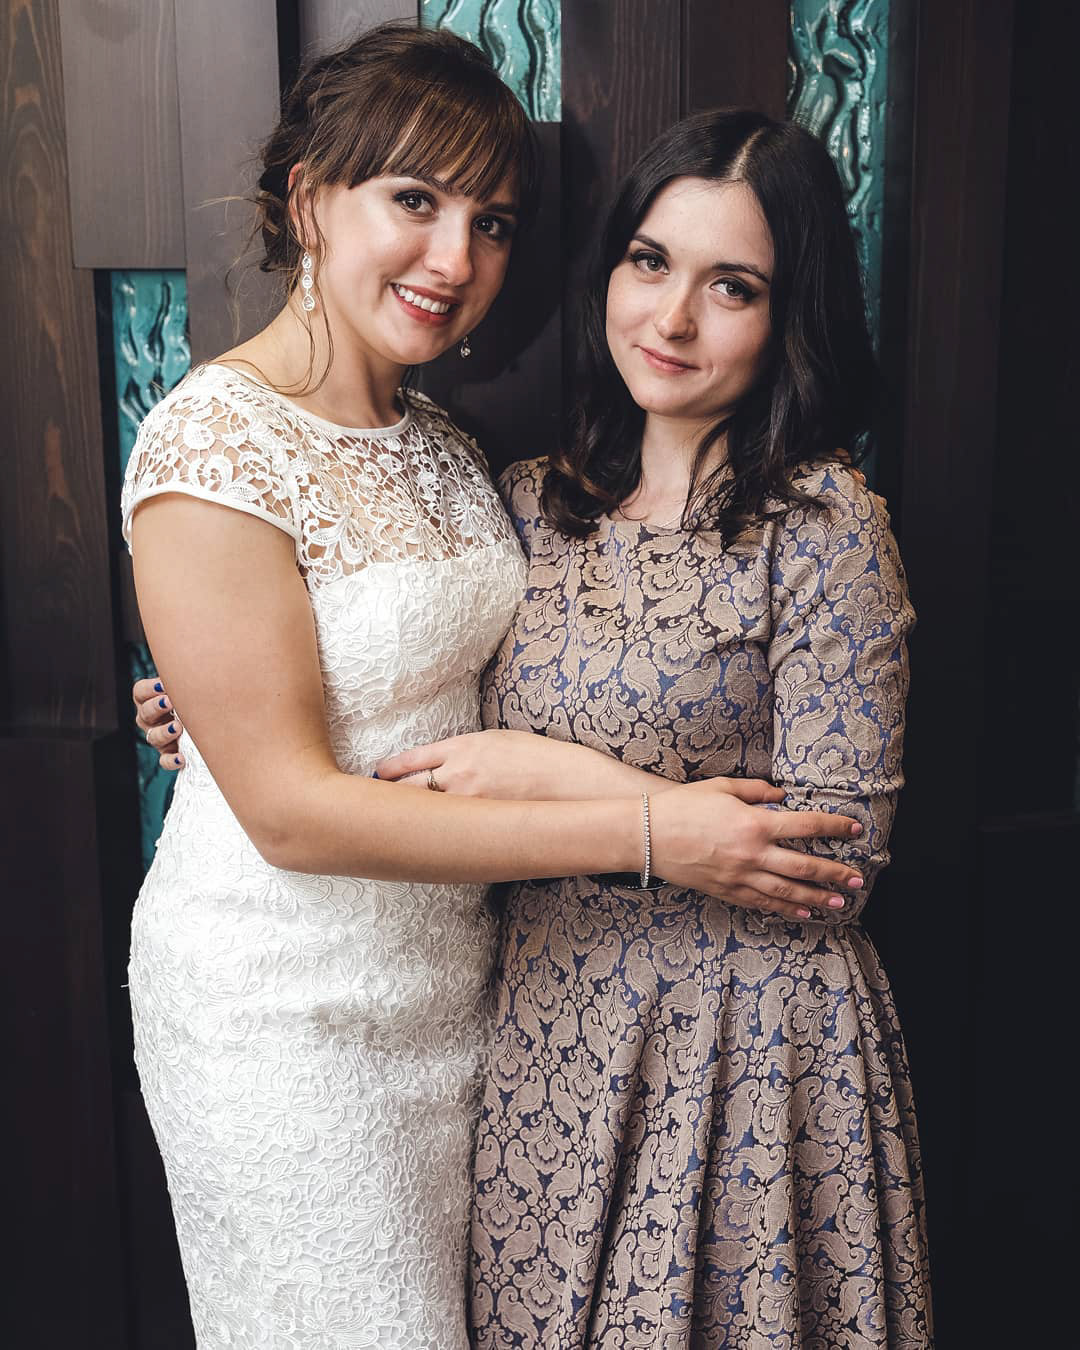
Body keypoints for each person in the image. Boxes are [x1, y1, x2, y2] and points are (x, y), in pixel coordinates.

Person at [123, 27, 866, 1349]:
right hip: (284, 1001)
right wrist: (650, 827)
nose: (455, 258)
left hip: (474, 996)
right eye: (414, 200)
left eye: (494, 222)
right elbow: (288, 810)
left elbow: (440, 668)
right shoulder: (215, 438)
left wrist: (209, 688)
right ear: (309, 198)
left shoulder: (451, 452)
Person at [372, 110, 934, 1346]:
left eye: (732, 286)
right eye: (650, 262)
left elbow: (837, 866)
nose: (672, 319)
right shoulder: (530, 504)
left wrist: (549, 771)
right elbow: (408, 698)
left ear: (788, 317)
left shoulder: (824, 527)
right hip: (550, 1032)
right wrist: (206, 705)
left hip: (749, 1047)